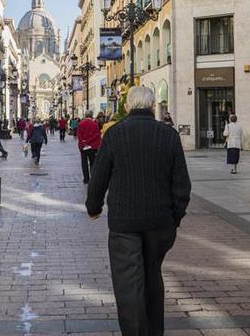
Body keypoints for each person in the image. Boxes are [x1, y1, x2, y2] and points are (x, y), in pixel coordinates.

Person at [86, 86, 191, 336]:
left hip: (124, 224)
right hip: (160, 223)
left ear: (126, 107)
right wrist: (174, 218)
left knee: (128, 284)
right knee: (152, 275)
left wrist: (94, 207)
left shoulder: (114, 134)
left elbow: (98, 177)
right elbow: (182, 185)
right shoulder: (169, 135)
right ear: (153, 106)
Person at [76, 110, 102, 184]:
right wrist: (89, 141)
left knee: (84, 163)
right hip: (92, 146)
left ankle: (86, 179)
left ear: (85, 115)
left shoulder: (81, 123)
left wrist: (84, 142)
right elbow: (97, 135)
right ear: (92, 115)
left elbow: (79, 135)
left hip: (83, 146)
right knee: (93, 162)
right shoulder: (95, 124)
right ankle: (93, 178)